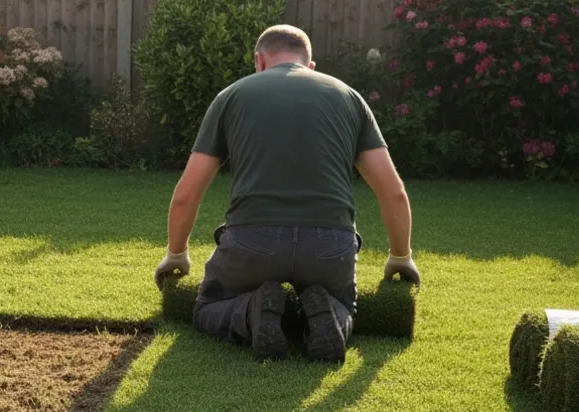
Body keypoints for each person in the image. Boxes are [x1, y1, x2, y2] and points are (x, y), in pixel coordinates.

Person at [153, 24, 419, 362]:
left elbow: (187, 194)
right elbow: (393, 192)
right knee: (343, 305)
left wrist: (176, 254)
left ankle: (252, 309)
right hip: (328, 248)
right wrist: (400, 257)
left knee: (207, 307)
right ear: (310, 66)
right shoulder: (349, 97)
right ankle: (331, 316)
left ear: (259, 60)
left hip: (252, 245)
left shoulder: (231, 96)